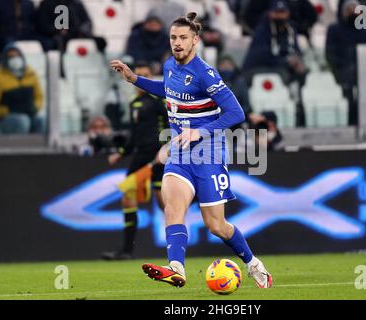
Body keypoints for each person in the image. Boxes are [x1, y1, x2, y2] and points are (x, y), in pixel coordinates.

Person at [110, 12, 273, 288]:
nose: (177, 42)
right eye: (173, 37)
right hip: (181, 153)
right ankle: (176, 268)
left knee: (216, 226)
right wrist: (134, 79)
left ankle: (253, 264)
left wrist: (200, 130)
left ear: (195, 40)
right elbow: (168, 90)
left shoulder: (205, 74)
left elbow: (236, 112)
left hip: (208, 154)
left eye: (183, 37)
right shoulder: (169, 67)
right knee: (173, 208)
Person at [102, 62, 169, 260]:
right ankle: (126, 251)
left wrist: (166, 150)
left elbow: (171, 126)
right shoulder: (134, 103)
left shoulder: (159, 102)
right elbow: (134, 134)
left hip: (157, 156)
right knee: (128, 197)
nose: (141, 79)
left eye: (145, 75)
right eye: (138, 75)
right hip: (141, 156)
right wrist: (121, 153)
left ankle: (177, 246)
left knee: (163, 202)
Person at [243, 0, 308, 127]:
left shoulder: (291, 28)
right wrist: (287, 61)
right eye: (276, 12)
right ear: (270, 13)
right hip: (258, 68)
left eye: (282, 12)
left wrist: (297, 61)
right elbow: (261, 55)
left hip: (282, 67)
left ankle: (300, 117)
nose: (280, 16)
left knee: (304, 75)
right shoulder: (262, 29)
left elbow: (295, 50)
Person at [326, 0, 366, 125]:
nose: (352, 12)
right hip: (342, 70)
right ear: (343, 12)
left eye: (355, 9)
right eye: (349, 9)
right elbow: (330, 54)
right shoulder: (334, 29)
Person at [0, 44, 44, 134]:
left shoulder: (31, 74)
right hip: (6, 119)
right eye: (11, 56)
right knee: (22, 121)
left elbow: (39, 97)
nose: (15, 59)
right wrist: (9, 110)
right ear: (5, 59)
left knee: (42, 121)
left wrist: (34, 107)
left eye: (17, 55)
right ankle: (20, 147)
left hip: (29, 114)